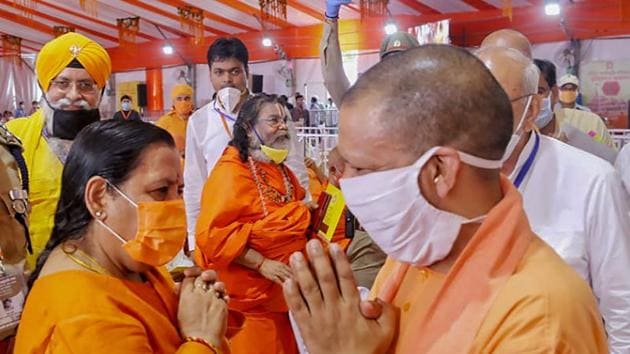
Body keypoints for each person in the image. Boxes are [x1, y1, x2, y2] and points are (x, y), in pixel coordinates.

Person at [284, 44, 607, 353]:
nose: (345, 183)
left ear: (439, 171)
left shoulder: (540, 318)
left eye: (362, 167)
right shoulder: (419, 248)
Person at [15, 120, 237, 353]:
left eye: (179, 190)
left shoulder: (129, 258)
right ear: (99, 197)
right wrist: (202, 339)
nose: (176, 206)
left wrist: (198, 304)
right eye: (161, 191)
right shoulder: (84, 315)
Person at [477, 45, 630, 352]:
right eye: (467, 104)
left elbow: (621, 303)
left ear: (533, 109)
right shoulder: (451, 176)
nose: (478, 119)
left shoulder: (592, 180)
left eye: (495, 104)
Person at [195, 94, 308, 354]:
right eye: (273, 120)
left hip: (286, 296)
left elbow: (294, 212)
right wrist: (262, 263)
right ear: (248, 128)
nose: (282, 127)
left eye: (284, 120)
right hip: (250, 305)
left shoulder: (280, 168)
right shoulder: (231, 172)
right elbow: (214, 237)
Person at [184, 37, 309, 259]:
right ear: (210, 74)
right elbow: (195, 183)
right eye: (219, 72)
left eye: (234, 71)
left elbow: (295, 165)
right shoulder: (199, 121)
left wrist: (300, 216)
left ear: (246, 72)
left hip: (274, 224)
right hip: (226, 231)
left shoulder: (274, 113)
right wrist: (194, 239)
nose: (227, 80)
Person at [6, 32, 111, 267]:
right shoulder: (13, 139)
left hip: (100, 275)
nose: (73, 95)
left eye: (86, 85)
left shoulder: (119, 144)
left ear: (101, 90)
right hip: (28, 276)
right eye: (62, 84)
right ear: (44, 87)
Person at [320, 0, 419, 107]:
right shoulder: (371, 101)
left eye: (403, 59)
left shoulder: (429, 98)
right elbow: (334, 80)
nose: (396, 66)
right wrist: (331, 17)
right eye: (390, 60)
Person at [534, 58, 618, 163]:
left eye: (539, 91)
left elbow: (613, 165)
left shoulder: (589, 123)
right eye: (525, 94)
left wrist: (573, 154)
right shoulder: (512, 135)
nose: (532, 101)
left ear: (555, 93)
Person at [554, 73, 615, 147]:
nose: (568, 91)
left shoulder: (586, 112)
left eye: (572, 89)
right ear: (558, 91)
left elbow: (593, 133)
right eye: (565, 89)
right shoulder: (553, 112)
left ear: (577, 91)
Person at [156, 84, 194, 159]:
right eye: (179, 99)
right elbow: (155, 145)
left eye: (187, 98)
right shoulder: (164, 121)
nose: (183, 102)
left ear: (191, 101)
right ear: (173, 102)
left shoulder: (197, 120)